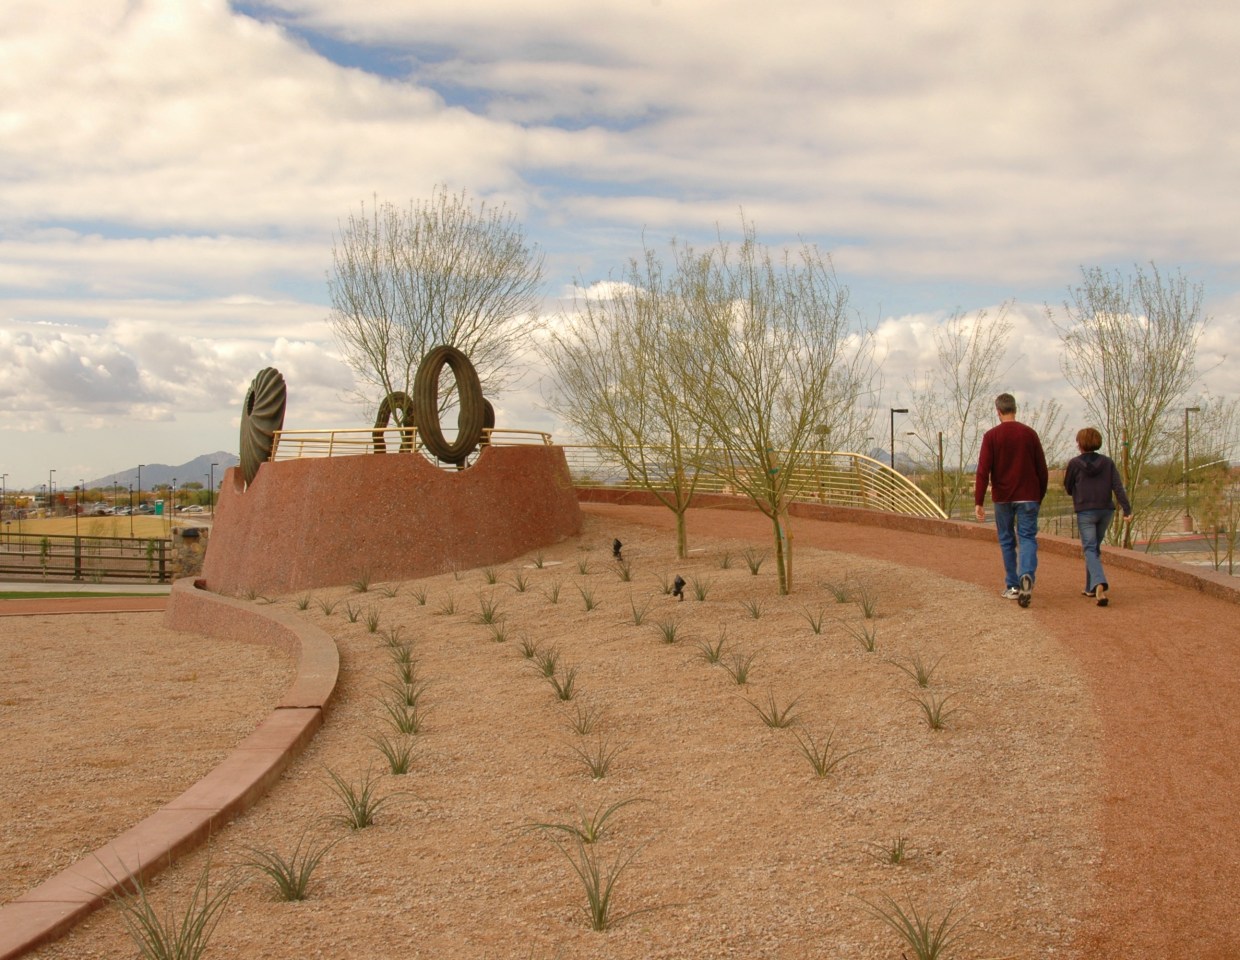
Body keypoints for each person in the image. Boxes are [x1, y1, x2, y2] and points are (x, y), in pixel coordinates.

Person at [974, 393, 1048, 608]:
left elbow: (983, 471)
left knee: (1007, 540)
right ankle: (1026, 575)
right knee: (1027, 538)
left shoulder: (991, 436)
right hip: (1029, 496)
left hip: (1003, 497)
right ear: (1015, 409)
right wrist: (1039, 495)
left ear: (998, 411)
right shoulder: (1030, 434)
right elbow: (1042, 469)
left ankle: (1013, 586)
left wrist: (979, 501)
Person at [1063, 427, 1132, 607]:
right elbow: (1118, 487)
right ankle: (1090, 588)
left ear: (1080, 444)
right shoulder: (1107, 463)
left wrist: (1078, 490)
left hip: (1085, 511)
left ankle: (1100, 582)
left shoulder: (1074, 464)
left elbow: (1068, 487)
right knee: (1093, 548)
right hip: (1105, 511)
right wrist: (1127, 509)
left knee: (1089, 548)